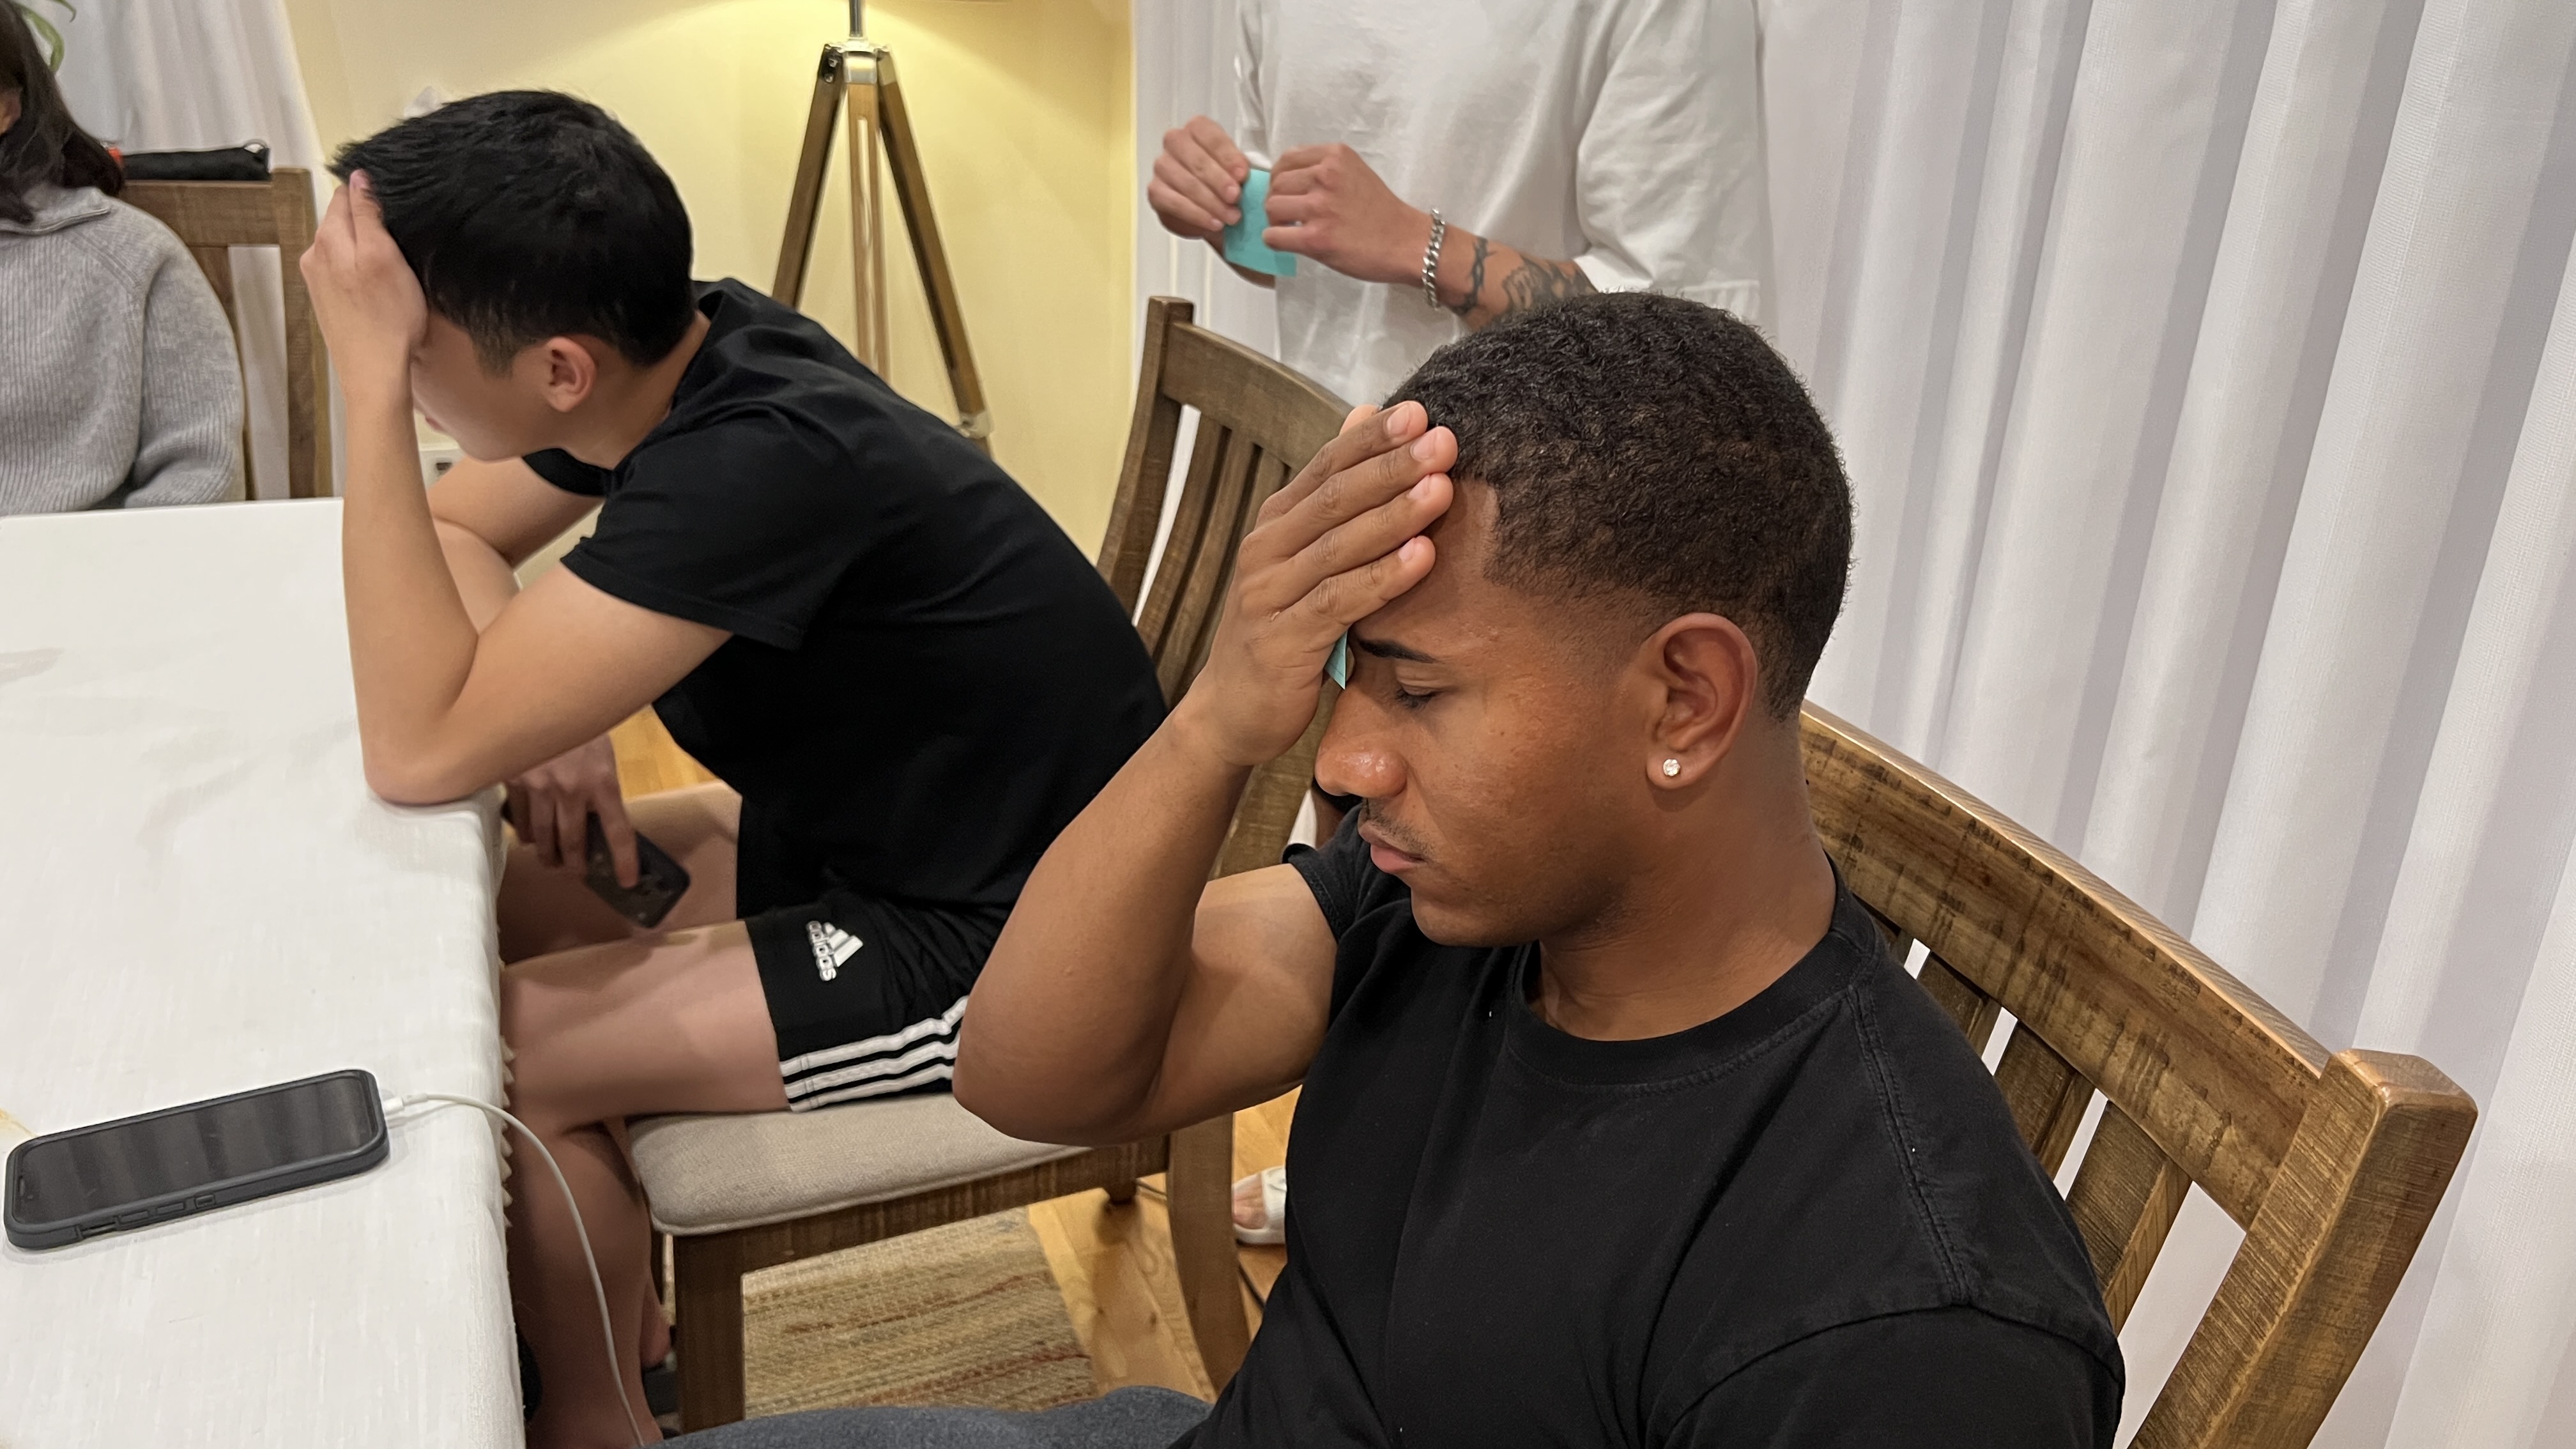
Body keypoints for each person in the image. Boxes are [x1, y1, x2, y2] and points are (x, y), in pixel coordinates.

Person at [673, 293, 2124, 1448]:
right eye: (1346, 680)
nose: (1346, 759)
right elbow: (1027, 1072)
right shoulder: (1454, 905)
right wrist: (1216, 717)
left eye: (1417, 691)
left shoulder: (1900, 1320)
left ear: (1684, 701)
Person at [295, 91, 1165, 1448]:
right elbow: (461, 533)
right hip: (871, 840)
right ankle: (614, 1315)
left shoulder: (756, 463)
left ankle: (601, 1415)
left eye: (416, 353)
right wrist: (546, 707)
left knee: (500, 1055)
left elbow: (413, 745)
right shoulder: (688, 358)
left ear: (561, 370)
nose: (405, 380)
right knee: (477, 915)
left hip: (1019, 936)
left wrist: (358, 391)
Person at [1147, 0, 1769, 409]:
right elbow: (1301, 260)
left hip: (1529, 515)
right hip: (1317, 474)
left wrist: (1416, 245)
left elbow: (1687, 339)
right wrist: (1222, 210)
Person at [0, 1, 240, 514]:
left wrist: (114, 561)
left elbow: (202, 475)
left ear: (6, 109)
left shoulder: (132, 257)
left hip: (89, 559)